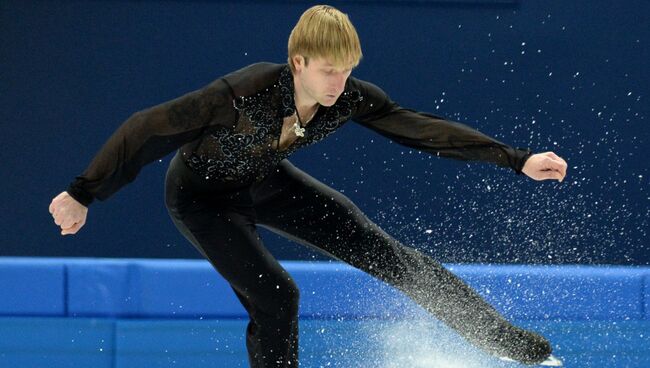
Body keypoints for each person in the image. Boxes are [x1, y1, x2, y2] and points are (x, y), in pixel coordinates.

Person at [49, 5, 567, 368]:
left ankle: (500, 339)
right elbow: (146, 130)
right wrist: (83, 192)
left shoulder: (346, 97)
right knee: (278, 295)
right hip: (201, 199)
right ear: (297, 62)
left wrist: (515, 160)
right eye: (327, 71)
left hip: (264, 182)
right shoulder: (241, 93)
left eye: (346, 71)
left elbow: (420, 128)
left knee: (390, 255)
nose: (338, 84)